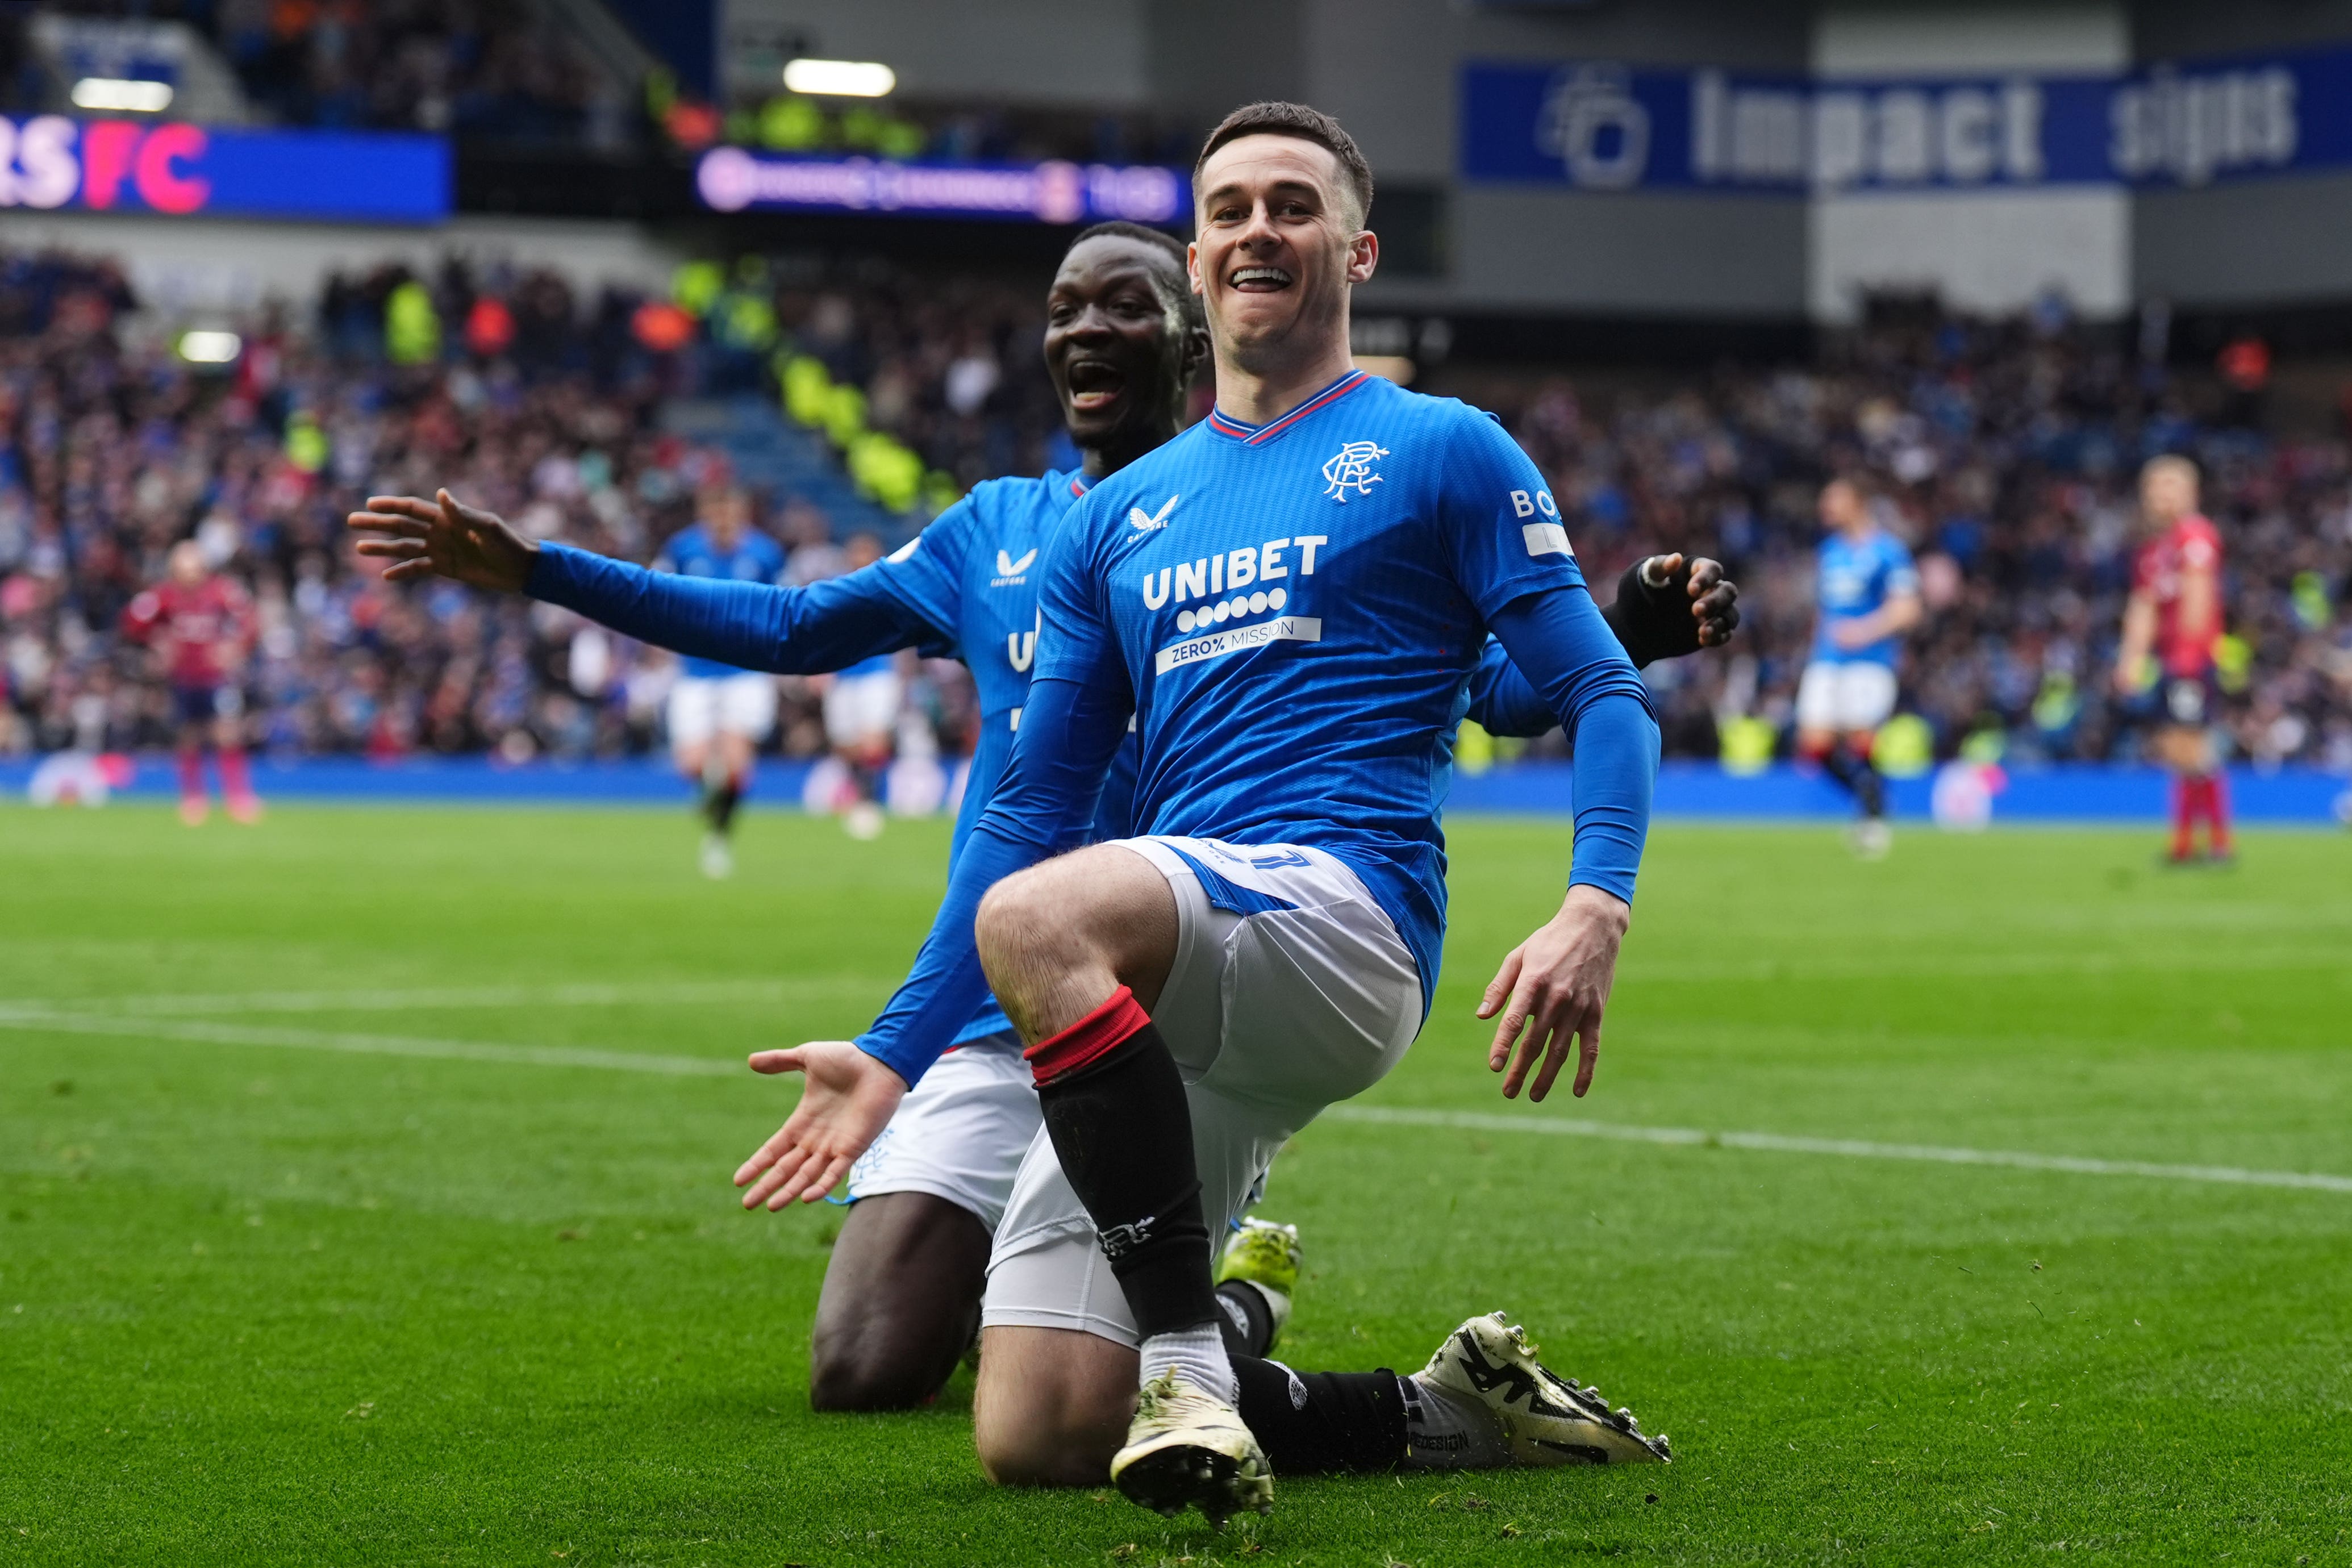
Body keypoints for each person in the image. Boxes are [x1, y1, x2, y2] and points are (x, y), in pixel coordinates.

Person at [346, 219, 1737, 1433]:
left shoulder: (1298, 497)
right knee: (868, 1365)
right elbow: (783, 625)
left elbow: (1447, 692)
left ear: (1189, 337)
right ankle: (1207, 1297)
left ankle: (1198, 1309)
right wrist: (539, 571)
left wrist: (1610, 638)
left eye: (1121, 302)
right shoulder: (993, 534)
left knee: (1098, 1331)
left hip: (1165, 970)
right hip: (990, 998)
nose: (1084, 325)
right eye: (1066, 305)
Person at [714, 101, 1679, 1523]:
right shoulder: (1118, 519)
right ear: (1198, 254)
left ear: (1354, 250)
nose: (1256, 231)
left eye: (1290, 207)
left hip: (1343, 916)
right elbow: (1032, 800)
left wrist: (1594, 902)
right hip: (1174, 987)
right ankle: (1441, 1408)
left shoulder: (1440, 447)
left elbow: (1601, 690)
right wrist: (892, 1050)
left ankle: (1184, 1354)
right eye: (1228, 210)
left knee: (1038, 915)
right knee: (1039, 1430)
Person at [653, 484, 787, 878]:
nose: (724, 521)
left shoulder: (765, 553)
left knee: (734, 762)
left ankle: (718, 839)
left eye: (731, 512)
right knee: (692, 764)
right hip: (694, 672)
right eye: (717, 512)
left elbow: (787, 602)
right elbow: (658, 597)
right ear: (705, 514)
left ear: (742, 514)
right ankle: (711, 800)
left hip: (745, 671)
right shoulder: (682, 549)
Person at [1793, 476, 1921, 858]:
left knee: (1861, 740)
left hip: (1869, 661)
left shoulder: (1888, 552)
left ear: (1859, 503)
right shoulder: (1829, 552)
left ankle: (1872, 816)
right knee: (1813, 745)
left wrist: (1865, 631)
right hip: (1827, 660)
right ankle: (1873, 800)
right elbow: (1825, 611)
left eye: (1834, 500)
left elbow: (1909, 609)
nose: (1826, 507)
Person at [2115, 455, 2229, 864]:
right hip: (2170, 660)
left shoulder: (2194, 536)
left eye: (2170, 485)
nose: (2160, 494)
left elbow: (2199, 599)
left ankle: (2211, 843)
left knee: (2190, 748)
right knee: (2177, 749)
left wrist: (2189, 657)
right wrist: (2131, 658)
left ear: (2191, 493)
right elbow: (2143, 606)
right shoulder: (2153, 549)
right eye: (2155, 486)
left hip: (2189, 660)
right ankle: (2192, 842)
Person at [122, 540, 261, 826]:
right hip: (183, 676)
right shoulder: (165, 595)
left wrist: (235, 647)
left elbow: (250, 621)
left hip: (216, 676)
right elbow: (132, 621)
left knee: (227, 733)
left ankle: (238, 797)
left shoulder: (221, 591)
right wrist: (155, 644)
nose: (189, 575)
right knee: (188, 736)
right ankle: (193, 798)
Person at [812, 532, 900, 841]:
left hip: (876, 675)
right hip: (843, 678)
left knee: (873, 741)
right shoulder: (837, 589)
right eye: (856, 553)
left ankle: (868, 803)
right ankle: (859, 794)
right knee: (845, 746)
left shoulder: (889, 587)